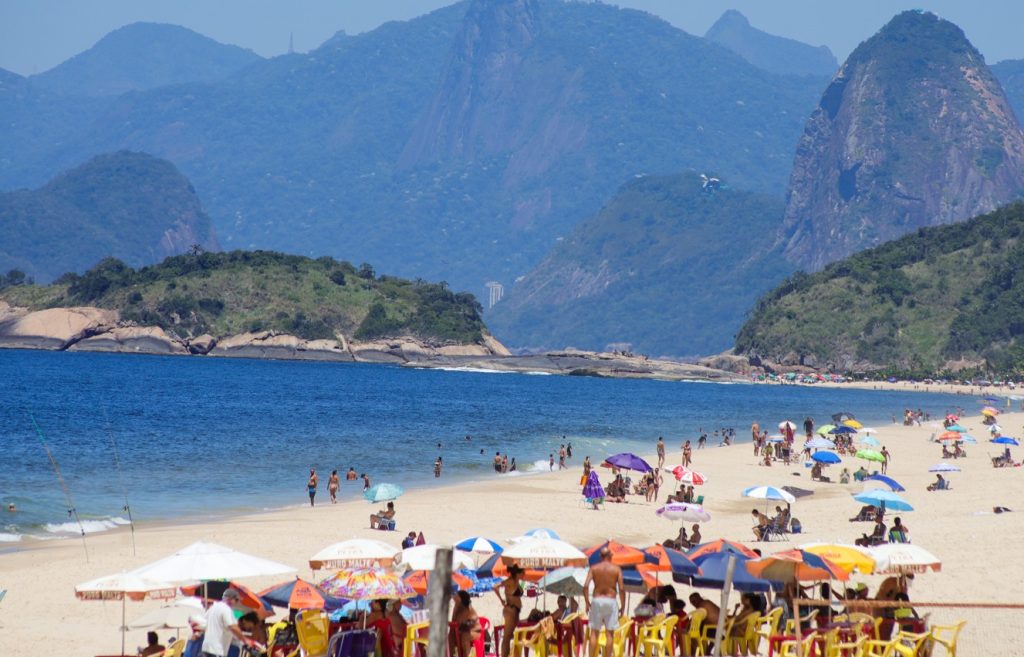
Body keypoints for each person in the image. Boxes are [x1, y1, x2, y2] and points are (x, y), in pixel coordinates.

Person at [584, 548, 625, 657]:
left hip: (597, 600)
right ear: (610, 556)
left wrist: (587, 602)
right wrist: (623, 605)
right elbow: (621, 589)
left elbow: (586, 586)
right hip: (611, 600)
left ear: (600, 556)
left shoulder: (594, 568)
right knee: (609, 634)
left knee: (594, 633)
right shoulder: (616, 569)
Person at [203, 589, 256, 657]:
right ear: (230, 599)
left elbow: (203, 622)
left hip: (206, 647)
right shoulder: (226, 609)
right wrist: (245, 640)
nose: (237, 603)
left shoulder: (213, 607)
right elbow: (233, 627)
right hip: (217, 649)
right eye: (236, 600)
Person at [494, 564, 524, 657]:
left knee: (513, 635)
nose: (524, 573)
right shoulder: (510, 581)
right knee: (507, 636)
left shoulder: (516, 581)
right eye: (522, 572)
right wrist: (501, 600)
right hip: (511, 609)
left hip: (515, 610)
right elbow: (495, 587)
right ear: (518, 573)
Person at [451, 590, 479, 657]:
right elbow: (453, 621)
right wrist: (455, 609)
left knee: (465, 636)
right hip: (461, 630)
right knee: (450, 635)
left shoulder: (468, 608)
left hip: (473, 631)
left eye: (457, 596)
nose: (454, 597)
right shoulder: (457, 607)